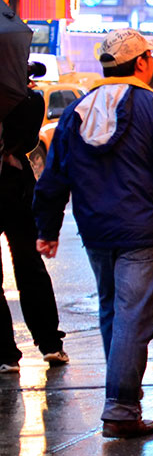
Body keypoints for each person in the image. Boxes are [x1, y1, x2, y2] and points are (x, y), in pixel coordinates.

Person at [33, 28, 153, 439]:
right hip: (148, 231)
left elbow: (55, 174)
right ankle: (122, 407)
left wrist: (48, 227)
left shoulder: (78, 111)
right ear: (142, 62)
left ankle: (122, 401)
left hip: (97, 231)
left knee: (114, 313)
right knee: (134, 319)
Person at [0, 71, 67, 373]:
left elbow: (25, 140)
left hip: (16, 189)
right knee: (26, 268)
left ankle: (50, 343)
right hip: (14, 184)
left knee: (30, 265)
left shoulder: (28, 99)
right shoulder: (26, 98)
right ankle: (5, 352)